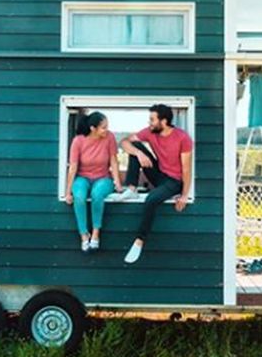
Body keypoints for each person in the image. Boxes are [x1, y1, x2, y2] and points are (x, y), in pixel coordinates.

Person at [119, 104, 193, 263]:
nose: (149, 122)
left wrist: (185, 194)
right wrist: (138, 153)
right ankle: (132, 188)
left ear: (164, 121)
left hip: (174, 181)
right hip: (159, 174)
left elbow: (186, 169)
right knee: (135, 146)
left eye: (152, 119)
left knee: (151, 199)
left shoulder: (182, 138)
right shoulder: (150, 132)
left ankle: (139, 241)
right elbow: (124, 142)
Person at [65, 111, 123, 252]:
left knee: (97, 195)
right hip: (82, 177)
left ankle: (96, 233)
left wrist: (118, 183)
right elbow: (73, 167)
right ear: (93, 128)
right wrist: (68, 192)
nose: (107, 129)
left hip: (103, 178)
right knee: (79, 196)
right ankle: (84, 234)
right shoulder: (78, 141)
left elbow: (114, 162)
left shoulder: (109, 137)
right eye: (103, 127)